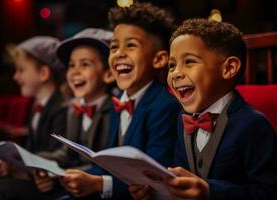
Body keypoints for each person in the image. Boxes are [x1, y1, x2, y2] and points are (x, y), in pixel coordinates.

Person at [130, 18, 277, 200]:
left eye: (189, 61)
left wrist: (210, 191)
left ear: (229, 68)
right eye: (172, 66)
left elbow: (269, 192)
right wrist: (156, 190)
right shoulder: (182, 119)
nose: (175, 73)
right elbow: (181, 177)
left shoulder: (253, 124)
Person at [59, 2, 181, 200]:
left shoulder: (165, 106)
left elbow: (157, 178)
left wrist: (98, 183)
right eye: (114, 47)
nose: (119, 53)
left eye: (131, 45)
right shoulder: (119, 102)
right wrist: (75, 176)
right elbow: (109, 165)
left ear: (158, 60)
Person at [31, 27, 115, 197]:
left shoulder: (114, 109)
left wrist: (63, 174)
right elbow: (67, 153)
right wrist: (36, 161)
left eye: (85, 64)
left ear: (108, 73)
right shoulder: (72, 108)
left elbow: (107, 164)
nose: (75, 72)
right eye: (71, 65)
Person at [0, 36, 68, 200]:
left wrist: (19, 170)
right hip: (37, 177)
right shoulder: (37, 107)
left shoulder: (61, 108)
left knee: (0, 189)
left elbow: (59, 159)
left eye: (21, 70)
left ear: (44, 73)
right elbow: (32, 151)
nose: (15, 77)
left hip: (53, 185)